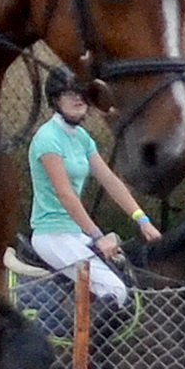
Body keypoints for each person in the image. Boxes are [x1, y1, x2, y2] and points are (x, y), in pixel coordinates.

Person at [27, 73, 161, 309]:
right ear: (56, 99)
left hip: (75, 233)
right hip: (52, 234)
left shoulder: (81, 138)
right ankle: (82, 336)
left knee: (128, 280)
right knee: (115, 291)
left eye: (82, 94)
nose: (78, 99)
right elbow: (65, 195)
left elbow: (109, 180)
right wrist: (98, 237)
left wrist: (142, 220)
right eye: (70, 94)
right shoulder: (47, 138)